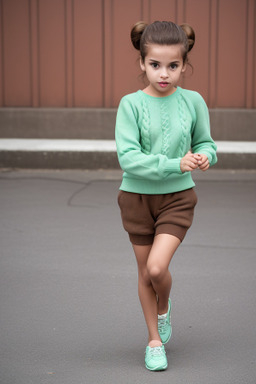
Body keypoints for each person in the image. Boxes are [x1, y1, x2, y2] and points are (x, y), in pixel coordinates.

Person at [115, 20, 217, 371]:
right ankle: (154, 341)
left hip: (177, 198)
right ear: (142, 63)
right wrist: (176, 162)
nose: (164, 73)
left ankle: (164, 307)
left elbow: (205, 142)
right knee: (145, 273)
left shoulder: (193, 101)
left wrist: (206, 156)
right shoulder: (129, 105)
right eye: (155, 65)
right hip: (136, 199)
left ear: (184, 65)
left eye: (173, 66)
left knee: (158, 268)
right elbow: (128, 158)